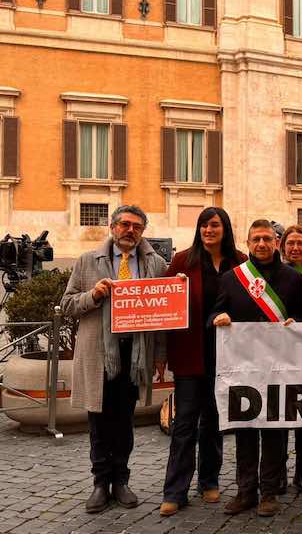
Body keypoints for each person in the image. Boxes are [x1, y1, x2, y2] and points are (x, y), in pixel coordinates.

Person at [61, 205, 167, 513]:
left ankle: (121, 480)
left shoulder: (156, 264)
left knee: (124, 421)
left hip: (134, 353)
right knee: (98, 421)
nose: (129, 230)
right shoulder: (86, 261)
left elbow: (161, 315)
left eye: (136, 226)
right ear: (112, 227)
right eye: (124, 224)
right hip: (98, 354)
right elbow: (67, 305)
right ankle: (99, 483)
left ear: (142, 232)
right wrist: (93, 295)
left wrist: (160, 355)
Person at [210, 220, 302, 517]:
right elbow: (213, 312)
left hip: (279, 367)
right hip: (243, 368)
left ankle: (269, 493)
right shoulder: (231, 278)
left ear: (276, 243)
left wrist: (296, 323)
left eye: (266, 239)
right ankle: (245, 491)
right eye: (255, 240)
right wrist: (219, 317)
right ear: (248, 244)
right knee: (246, 431)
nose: (261, 244)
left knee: (274, 431)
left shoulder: (292, 278)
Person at [160, 208, 246, 517]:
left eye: (214, 225)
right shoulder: (182, 260)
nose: (208, 230)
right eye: (203, 225)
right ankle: (175, 490)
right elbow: (166, 309)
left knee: (214, 422)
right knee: (184, 424)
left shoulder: (240, 261)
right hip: (189, 353)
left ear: (225, 228)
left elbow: (250, 304)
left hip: (226, 355)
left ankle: (209, 480)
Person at [278, 224, 302, 493]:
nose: (295, 248)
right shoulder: (274, 274)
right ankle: (277, 471)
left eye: (300, 243)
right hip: (279, 352)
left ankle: (301, 472)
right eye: (291, 243)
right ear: (283, 246)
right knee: (279, 416)